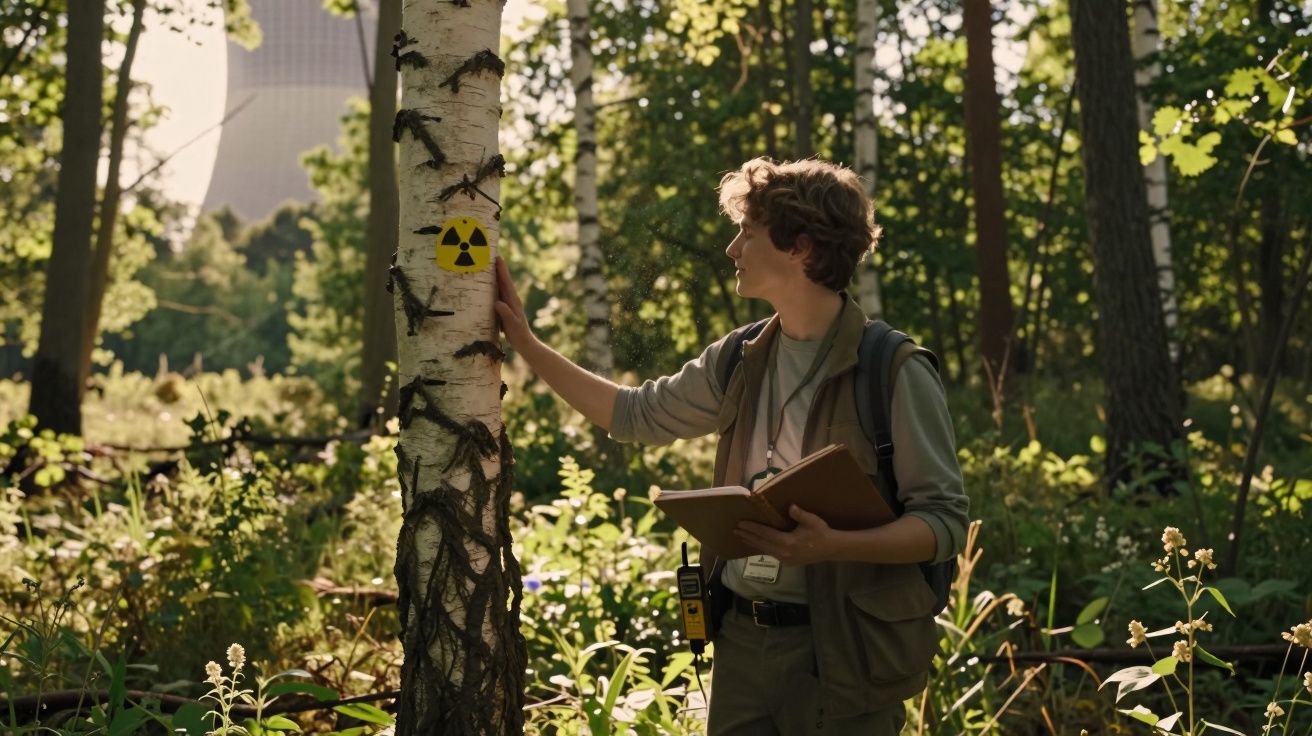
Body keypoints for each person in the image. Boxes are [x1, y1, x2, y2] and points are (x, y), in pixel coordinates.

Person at [494, 157, 969, 735]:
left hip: (845, 654)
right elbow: (632, 413)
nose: (732, 248)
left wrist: (833, 545)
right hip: (741, 643)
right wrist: (526, 343)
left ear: (801, 246)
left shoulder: (893, 369)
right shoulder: (738, 357)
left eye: (748, 231)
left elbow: (943, 524)